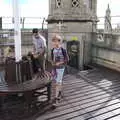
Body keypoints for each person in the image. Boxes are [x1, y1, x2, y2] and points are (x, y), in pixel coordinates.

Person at [51, 35, 69, 106]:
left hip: (61, 68)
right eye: (53, 41)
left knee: (57, 83)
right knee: (58, 81)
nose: (55, 43)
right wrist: (53, 63)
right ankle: (59, 93)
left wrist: (60, 63)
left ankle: (55, 99)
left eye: (56, 41)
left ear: (59, 41)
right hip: (55, 68)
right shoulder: (53, 50)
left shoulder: (63, 50)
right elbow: (53, 59)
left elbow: (67, 59)